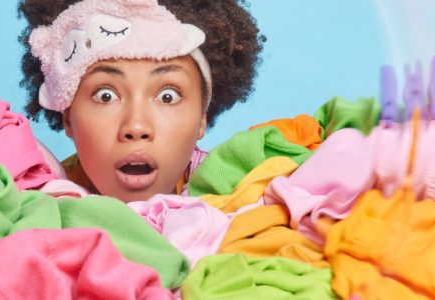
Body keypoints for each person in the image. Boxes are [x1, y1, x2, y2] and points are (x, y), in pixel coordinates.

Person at [18, 0, 264, 202]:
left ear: (202, 117)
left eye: (168, 96)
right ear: (67, 116)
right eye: (106, 96)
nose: (136, 128)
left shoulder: (252, 201)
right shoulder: (27, 208)